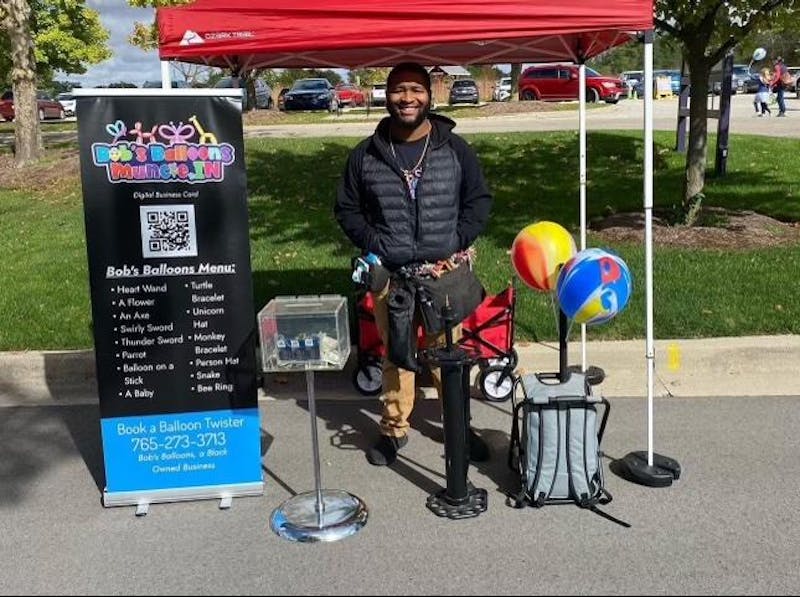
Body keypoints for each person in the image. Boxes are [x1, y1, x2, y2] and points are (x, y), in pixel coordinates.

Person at [334, 62, 493, 466]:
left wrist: (455, 239)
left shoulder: (454, 149)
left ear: (430, 94)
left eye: (416, 90)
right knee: (395, 356)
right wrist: (377, 242)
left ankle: (458, 428)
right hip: (393, 278)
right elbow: (347, 209)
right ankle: (393, 431)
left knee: (448, 355)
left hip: (443, 276)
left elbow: (479, 201)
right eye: (398, 90)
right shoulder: (367, 154)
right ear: (386, 96)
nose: (407, 98)